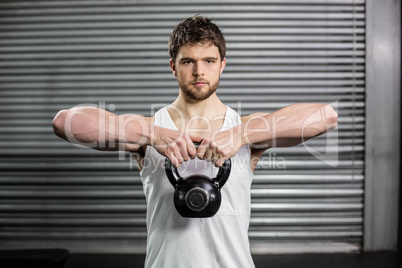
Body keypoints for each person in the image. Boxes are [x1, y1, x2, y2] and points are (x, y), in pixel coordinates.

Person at [52, 15, 338, 268]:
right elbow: (64, 122)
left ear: (222, 65)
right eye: (188, 61)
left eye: (209, 61)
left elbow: (326, 115)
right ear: (173, 67)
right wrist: (155, 136)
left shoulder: (248, 129)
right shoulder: (147, 130)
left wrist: (240, 135)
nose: (199, 71)